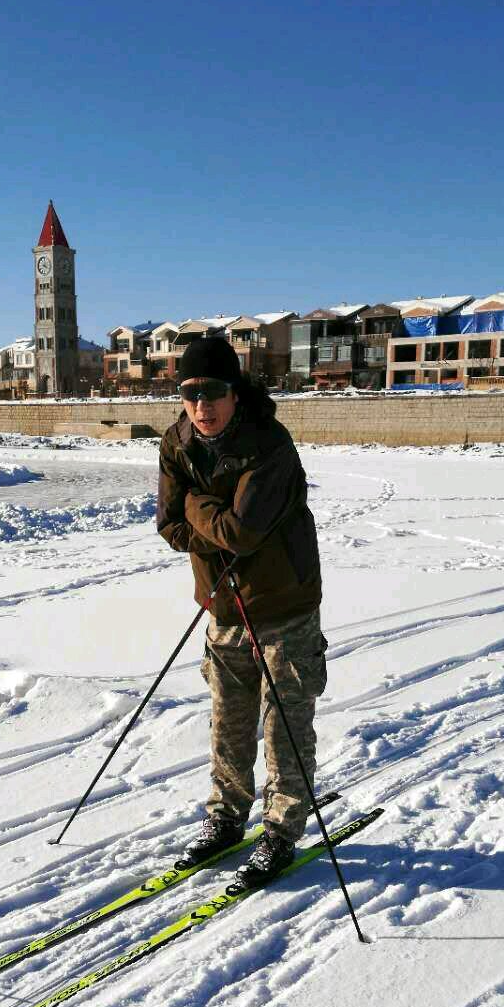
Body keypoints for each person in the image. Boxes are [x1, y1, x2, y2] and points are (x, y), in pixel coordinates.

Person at [157, 336, 326, 886]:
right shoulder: (177, 443)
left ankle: (280, 831)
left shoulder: (268, 444)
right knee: (228, 721)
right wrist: (210, 524)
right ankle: (227, 818)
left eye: (213, 392)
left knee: (284, 725)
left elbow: (243, 532)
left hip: (283, 604)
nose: (201, 405)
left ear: (236, 392)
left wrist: (195, 502)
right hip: (222, 604)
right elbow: (168, 526)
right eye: (190, 393)